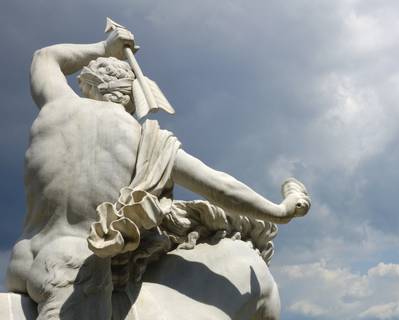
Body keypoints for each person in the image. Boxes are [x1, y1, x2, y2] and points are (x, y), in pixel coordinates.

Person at [5, 26, 310, 319]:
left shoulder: (56, 106)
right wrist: (279, 211)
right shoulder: (145, 141)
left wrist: (103, 48)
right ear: (131, 96)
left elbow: (44, 57)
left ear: (87, 86)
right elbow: (221, 189)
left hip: (21, 260)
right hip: (73, 268)